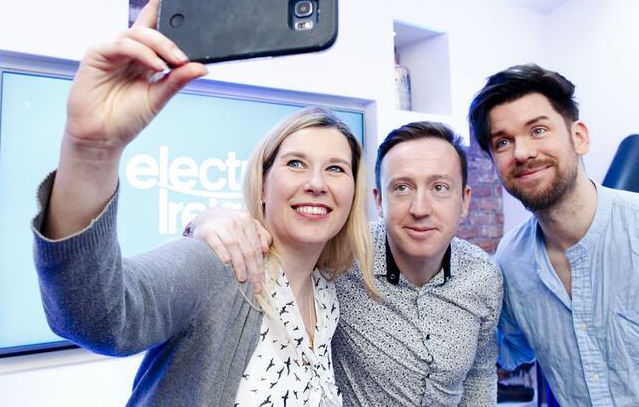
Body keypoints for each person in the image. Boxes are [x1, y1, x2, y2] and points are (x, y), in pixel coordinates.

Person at [31, 0, 377, 406]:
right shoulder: (218, 265)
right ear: (264, 184)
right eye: (295, 163)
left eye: (336, 170)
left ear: (352, 194)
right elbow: (97, 317)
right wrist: (91, 151)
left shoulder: (329, 295)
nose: (316, 184)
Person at [190, 121, 503, 406]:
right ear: (379, 200)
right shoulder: (341, 255)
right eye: (402, 188)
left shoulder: (483, 276)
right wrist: (207, 220)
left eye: (439, 188)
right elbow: (288, 230)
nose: (420, 208)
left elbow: (479, 372)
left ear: (465, 201)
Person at [468, 63, 639, 406]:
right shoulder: (511, 261)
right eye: (503, 142)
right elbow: (502, 351)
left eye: (538, 130)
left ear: (579, 137)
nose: (522, 152)